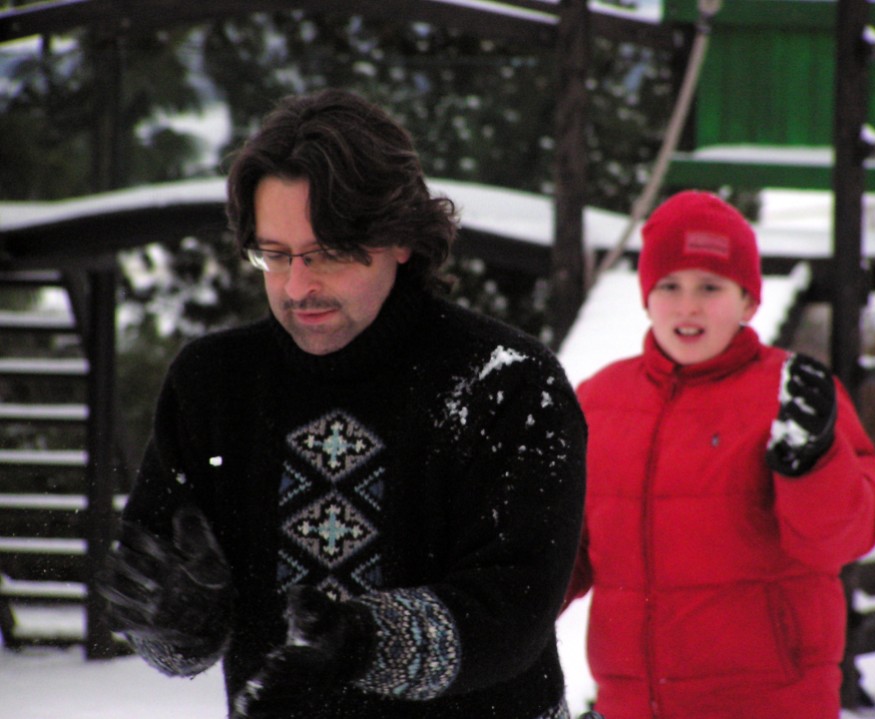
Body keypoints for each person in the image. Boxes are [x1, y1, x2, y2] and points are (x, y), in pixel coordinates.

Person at [97, 88, 587, 719]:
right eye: (274, 256)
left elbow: (513, 609)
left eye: (327, 253)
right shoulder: (212, 384)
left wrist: (363, 641)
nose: (298, 286)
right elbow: (164, 617)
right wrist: (174, 621)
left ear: (402, 238)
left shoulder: (506, 382)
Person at [563, 191, 875, 719]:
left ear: (748, 301)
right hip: (633, 703)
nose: (688, 305)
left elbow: (844, 540)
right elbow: (563, 550)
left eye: (710, 287)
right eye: (669, 285)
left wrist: (813, 464)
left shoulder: (789, 397)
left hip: (768, 702)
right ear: (646, 298)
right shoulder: (599, 400)